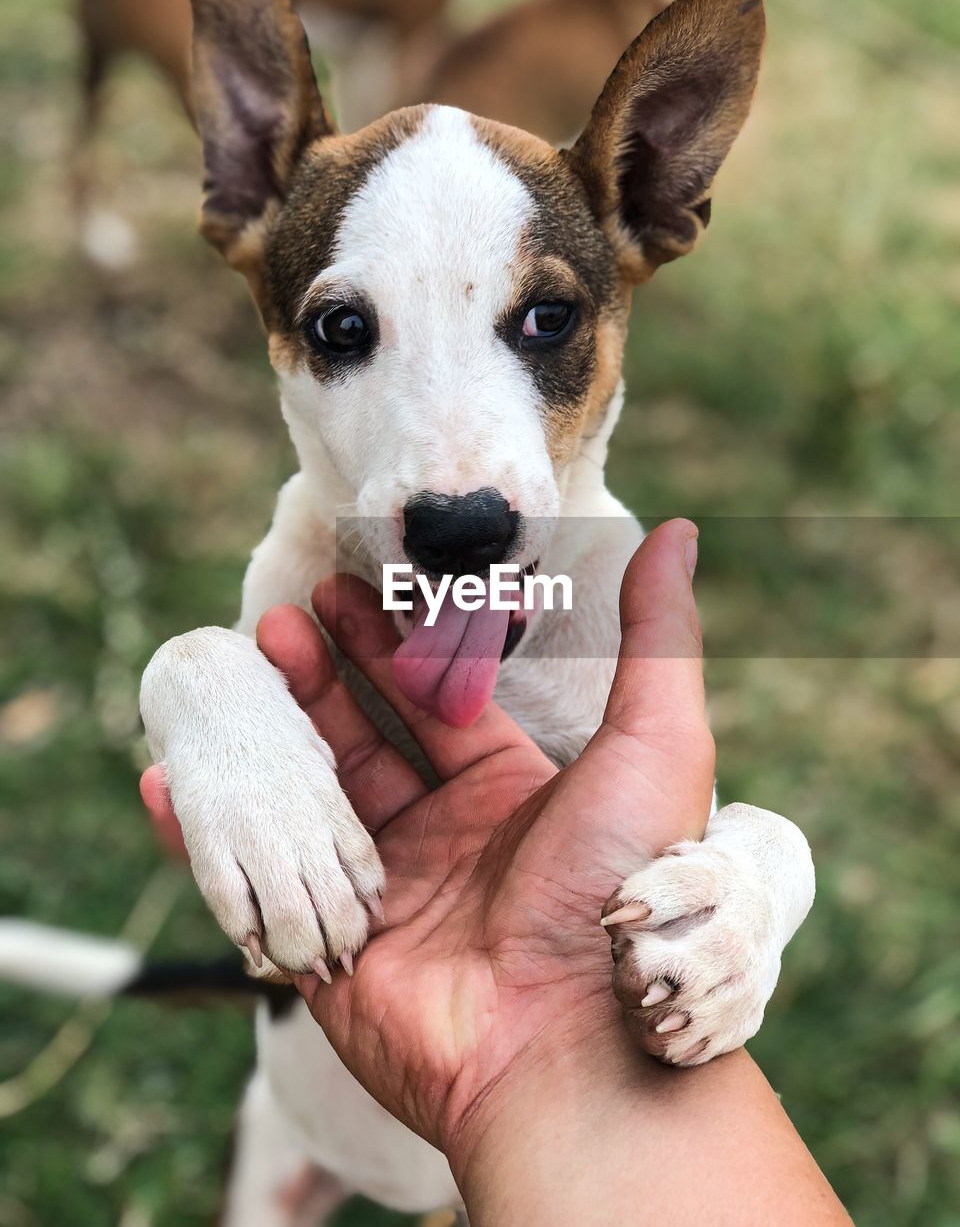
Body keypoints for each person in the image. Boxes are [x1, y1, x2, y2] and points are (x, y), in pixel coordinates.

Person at [142, 520, 852, 1225]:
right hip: (324, 1129)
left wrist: (766, 868)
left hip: (532, 1136)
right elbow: (274, 928)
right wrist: (198, 682)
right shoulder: (301, 568)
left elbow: (685, 861)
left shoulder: (585, 596)